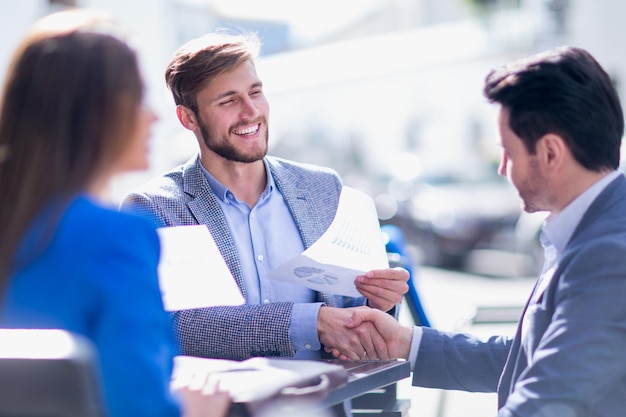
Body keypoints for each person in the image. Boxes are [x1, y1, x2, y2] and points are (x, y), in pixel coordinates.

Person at [337, 46, 626, 417]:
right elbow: (531, 358)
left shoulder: (609, 253)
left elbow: (549, 401)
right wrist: (406, 343)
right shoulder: (593, 228)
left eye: (508, 152)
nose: (503, 169)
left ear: (551, 153)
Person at [121, 31, 409, 363]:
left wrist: (378, 303)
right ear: (188, 118)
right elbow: (171, 327)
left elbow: (351, 316)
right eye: (228, 100)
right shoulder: (156, 207)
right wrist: (305, 323)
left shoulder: (322, 189)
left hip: (323, 408)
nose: (250, 112)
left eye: (255, 92)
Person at [0, 9, 229, 417]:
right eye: (139, 97)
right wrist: (194, 408)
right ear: (96, 114)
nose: (154, 117)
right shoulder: (115, 237)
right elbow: (141, 408)